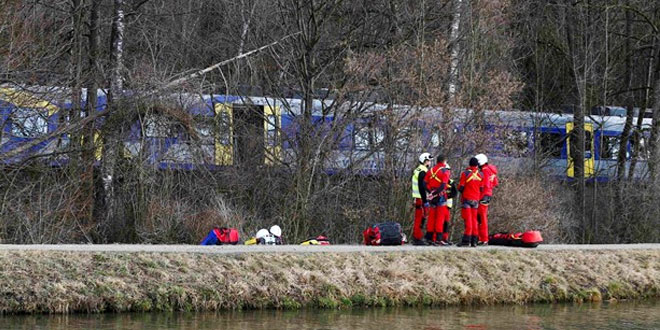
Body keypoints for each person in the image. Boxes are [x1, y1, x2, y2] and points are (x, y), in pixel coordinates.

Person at [424, 154, 451, 245]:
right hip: (441, 196)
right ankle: (439, 238)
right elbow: (443, 185)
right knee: (440, 218)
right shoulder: (445, 171)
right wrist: (436, 193)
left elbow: (424, 183)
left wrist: (431, 192)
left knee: (431, 217)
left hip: (432, 196)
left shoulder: (430, 170)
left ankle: (429, 237)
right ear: (444, 161)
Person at [457, 157, 485, 247]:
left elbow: (461, 187)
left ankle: (466, 241)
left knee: (468, 220)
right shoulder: (481, 175)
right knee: (474, 220)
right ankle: (474, 241)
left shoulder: (465, 174)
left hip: (467, 198)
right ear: (477, 165)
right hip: (476, 199)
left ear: (469, 164)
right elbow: (481, 188)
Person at [475, 153, 498, 245]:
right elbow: (495, 183)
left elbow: (484, 184)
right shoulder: (491, 170)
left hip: (483, 194)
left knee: (481, 217)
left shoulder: (484, 171)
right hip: (488, 194)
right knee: (482, 217)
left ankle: (483, 238)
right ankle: (483, 238)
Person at [411, 152, 432, 245]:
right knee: (420, 218)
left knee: (420, 218)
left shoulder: (417, 170)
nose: (430, 163)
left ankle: (417, 236)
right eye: (428, 161)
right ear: (424, 161)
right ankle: (417, 238)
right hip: (420, 198)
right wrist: (425, 200)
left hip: (418, 197)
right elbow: (421, 186)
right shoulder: (423, 171)